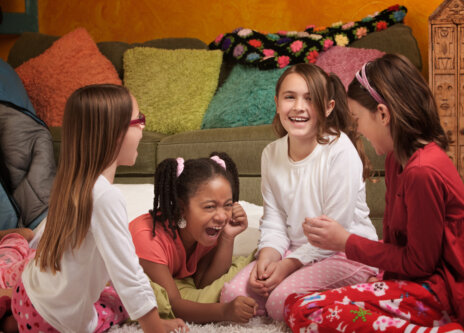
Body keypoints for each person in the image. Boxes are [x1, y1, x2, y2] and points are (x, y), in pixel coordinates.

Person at [285, 54, 464, 332]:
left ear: (382, 114)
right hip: (421, 286)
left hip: (449, 298)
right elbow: (401, 244)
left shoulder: (423, 171)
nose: (357, 130)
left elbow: (420, 263)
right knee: (293, 303)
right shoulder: (397, 159)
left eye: (357, 119)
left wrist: (346, 242)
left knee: (305, 310)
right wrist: (384, 282)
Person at [12, 84, 187, 333]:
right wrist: (154, 325)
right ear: (115, 133)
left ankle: (13, 319)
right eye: (139, 120)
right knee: (118, 303)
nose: (143, 127)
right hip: (52, 321)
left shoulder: (71, 182)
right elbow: (127, 271)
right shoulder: (106, 197)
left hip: (25, 294)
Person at [220, 63, 379, 321]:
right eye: (289, 97)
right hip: (295, 251)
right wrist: (268, 257)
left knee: (280, 302)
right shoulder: (271, 154)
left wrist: (287, 266)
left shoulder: (340, 151)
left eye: (310, 99)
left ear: (328, 108)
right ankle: (290, 283)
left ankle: (368, 286)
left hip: (345, 252)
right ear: (277, 102)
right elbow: (274, 221)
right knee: (233, 297)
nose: (298, 107)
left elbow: (334, 231)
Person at [129, 152, 258, 324]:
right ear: (182, 208)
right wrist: (224, 311)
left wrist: (227, 238)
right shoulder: (148, 237)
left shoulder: (205, 230)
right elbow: (173, 305)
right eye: (210, 207)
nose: (221, 216)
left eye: (227, 205)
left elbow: (205, 282)